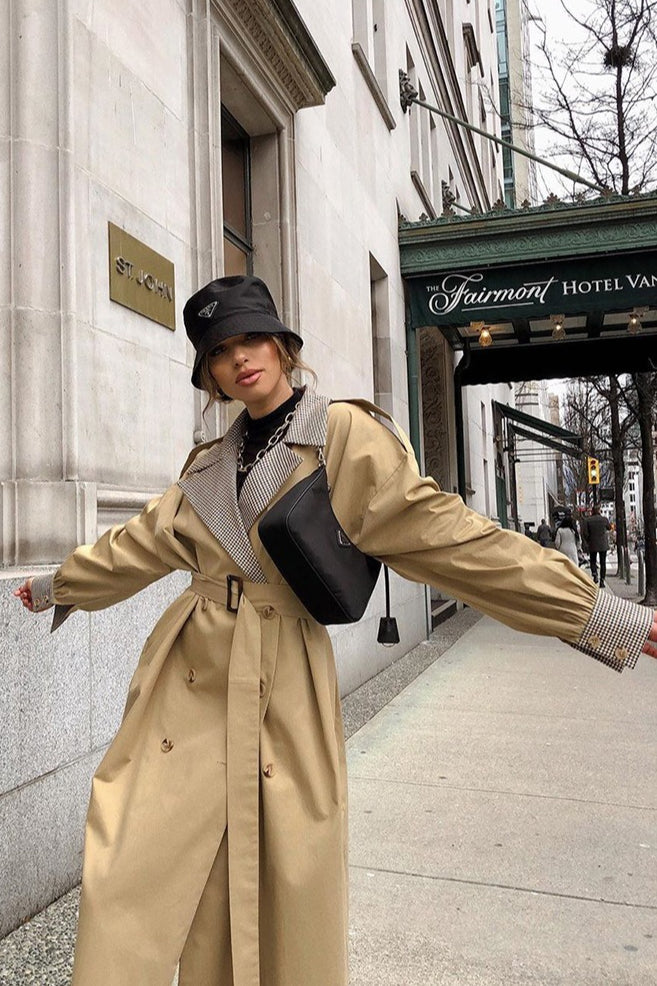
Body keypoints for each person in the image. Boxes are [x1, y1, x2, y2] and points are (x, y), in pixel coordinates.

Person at [13, 275, 657, 986]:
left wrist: (598, 612)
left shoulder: (344, 433)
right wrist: (54, 587)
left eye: (251, 338)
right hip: (187, 675)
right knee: (129, 848)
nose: (240, 359)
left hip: (280, 672)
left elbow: (449, 538)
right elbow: (137, 544)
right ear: (210, 374)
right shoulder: (205, 462)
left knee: (278, 874)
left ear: (283, 345)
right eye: (219, 351)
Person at [582, 505, 612, 588]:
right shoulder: (604, 519)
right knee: (603, 562)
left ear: (592, 511)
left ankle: (595, 574)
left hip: (593, 543)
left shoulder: (588, 520)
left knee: (593, 560)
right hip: (603, 544)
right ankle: (602, 580)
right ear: (599, 511)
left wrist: (588, 540)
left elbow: (585, 533)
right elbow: (609, 528)